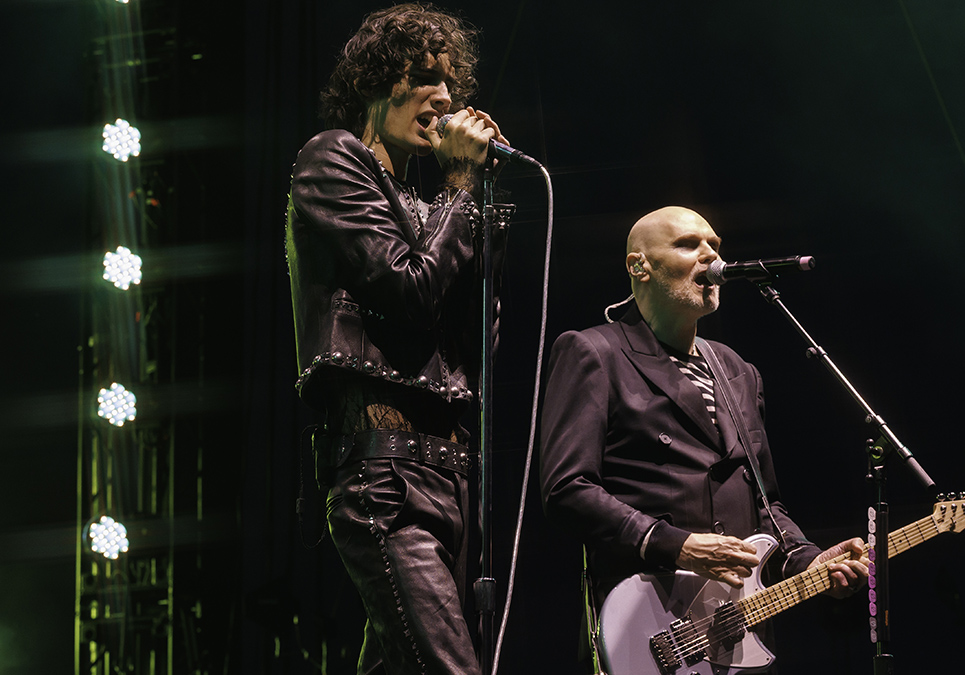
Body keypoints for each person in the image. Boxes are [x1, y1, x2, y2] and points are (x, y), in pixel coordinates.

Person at [285, 4, 512, 674]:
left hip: (454, 480)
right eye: (424, 78)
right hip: (385, 477)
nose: (445, 98)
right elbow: (408, 289)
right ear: (378, 82)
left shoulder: (432, 207)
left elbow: (479, 344)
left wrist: (483, 223)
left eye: (451, 84)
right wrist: (462, 188)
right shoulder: (333, 160)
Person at [539, 206, 868, 666]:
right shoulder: (594, 351)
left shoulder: (737, 370)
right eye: (689, 245)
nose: (710, 257)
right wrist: (679, 544)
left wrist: (807, 560)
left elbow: (766, 506)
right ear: (639, 266)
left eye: (714, 246)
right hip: (647, 623)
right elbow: (566, 489)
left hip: (731, 628)